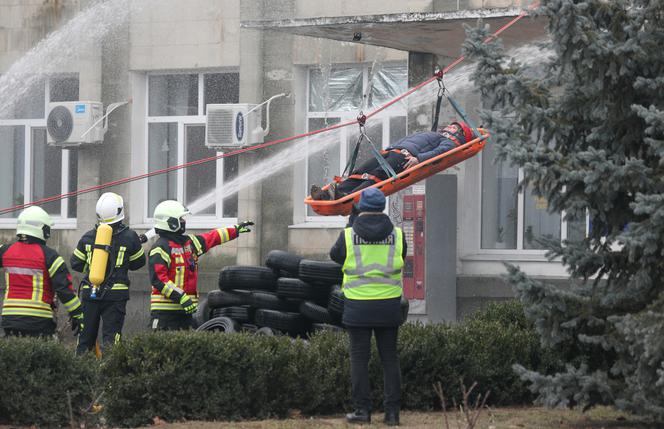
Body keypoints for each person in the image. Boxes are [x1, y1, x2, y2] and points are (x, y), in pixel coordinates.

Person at [329, 188, 407, 426]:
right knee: (390, 359)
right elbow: (402, 257)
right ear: (382, 207)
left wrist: (351, 223)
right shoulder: (399, 235)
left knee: (359, 360)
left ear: (360, 207)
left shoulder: (348, 235)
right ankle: (392, 414)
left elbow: (335, 256)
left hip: (358, 306)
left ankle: (362, 411)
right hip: (389, 305)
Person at [148, 200, 254, 330]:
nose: (183, 221)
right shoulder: (160, 248)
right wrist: (181, 297)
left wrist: (235, 230)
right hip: (165, 314)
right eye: (180, 218)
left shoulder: (190, 243)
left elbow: (212, 237)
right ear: (170, 222)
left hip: (186, 311)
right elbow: (159, 279)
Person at [311, 121, 474, 200]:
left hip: (404, 156)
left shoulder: (451, 141)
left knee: (376, 177)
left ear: (459, 133)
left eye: (454, 127)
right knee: (360, 173)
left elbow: (441, 152)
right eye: (451, 125)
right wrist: (389, 149)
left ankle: (345, 195)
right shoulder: (437, 135)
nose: (449, 127)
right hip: (392, 152)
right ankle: (327, 194)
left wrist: (419, 159)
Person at [71, 192, 146, 354]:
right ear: (120, 212)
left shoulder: (88, 237)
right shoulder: (130, 236)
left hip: (90, 292)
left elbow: (75, 263)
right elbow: (138, 263)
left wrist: (93, 269)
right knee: (112, 339)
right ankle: (111, 375)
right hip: (116, 296)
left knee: (85, 339)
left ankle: (80, 373)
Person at [0, 206, 83, 337]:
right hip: (38, 320)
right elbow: (64, 289)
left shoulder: (5, 251)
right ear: (44, 230)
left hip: (10, 319)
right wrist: (78, 313)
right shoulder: (50, 256)